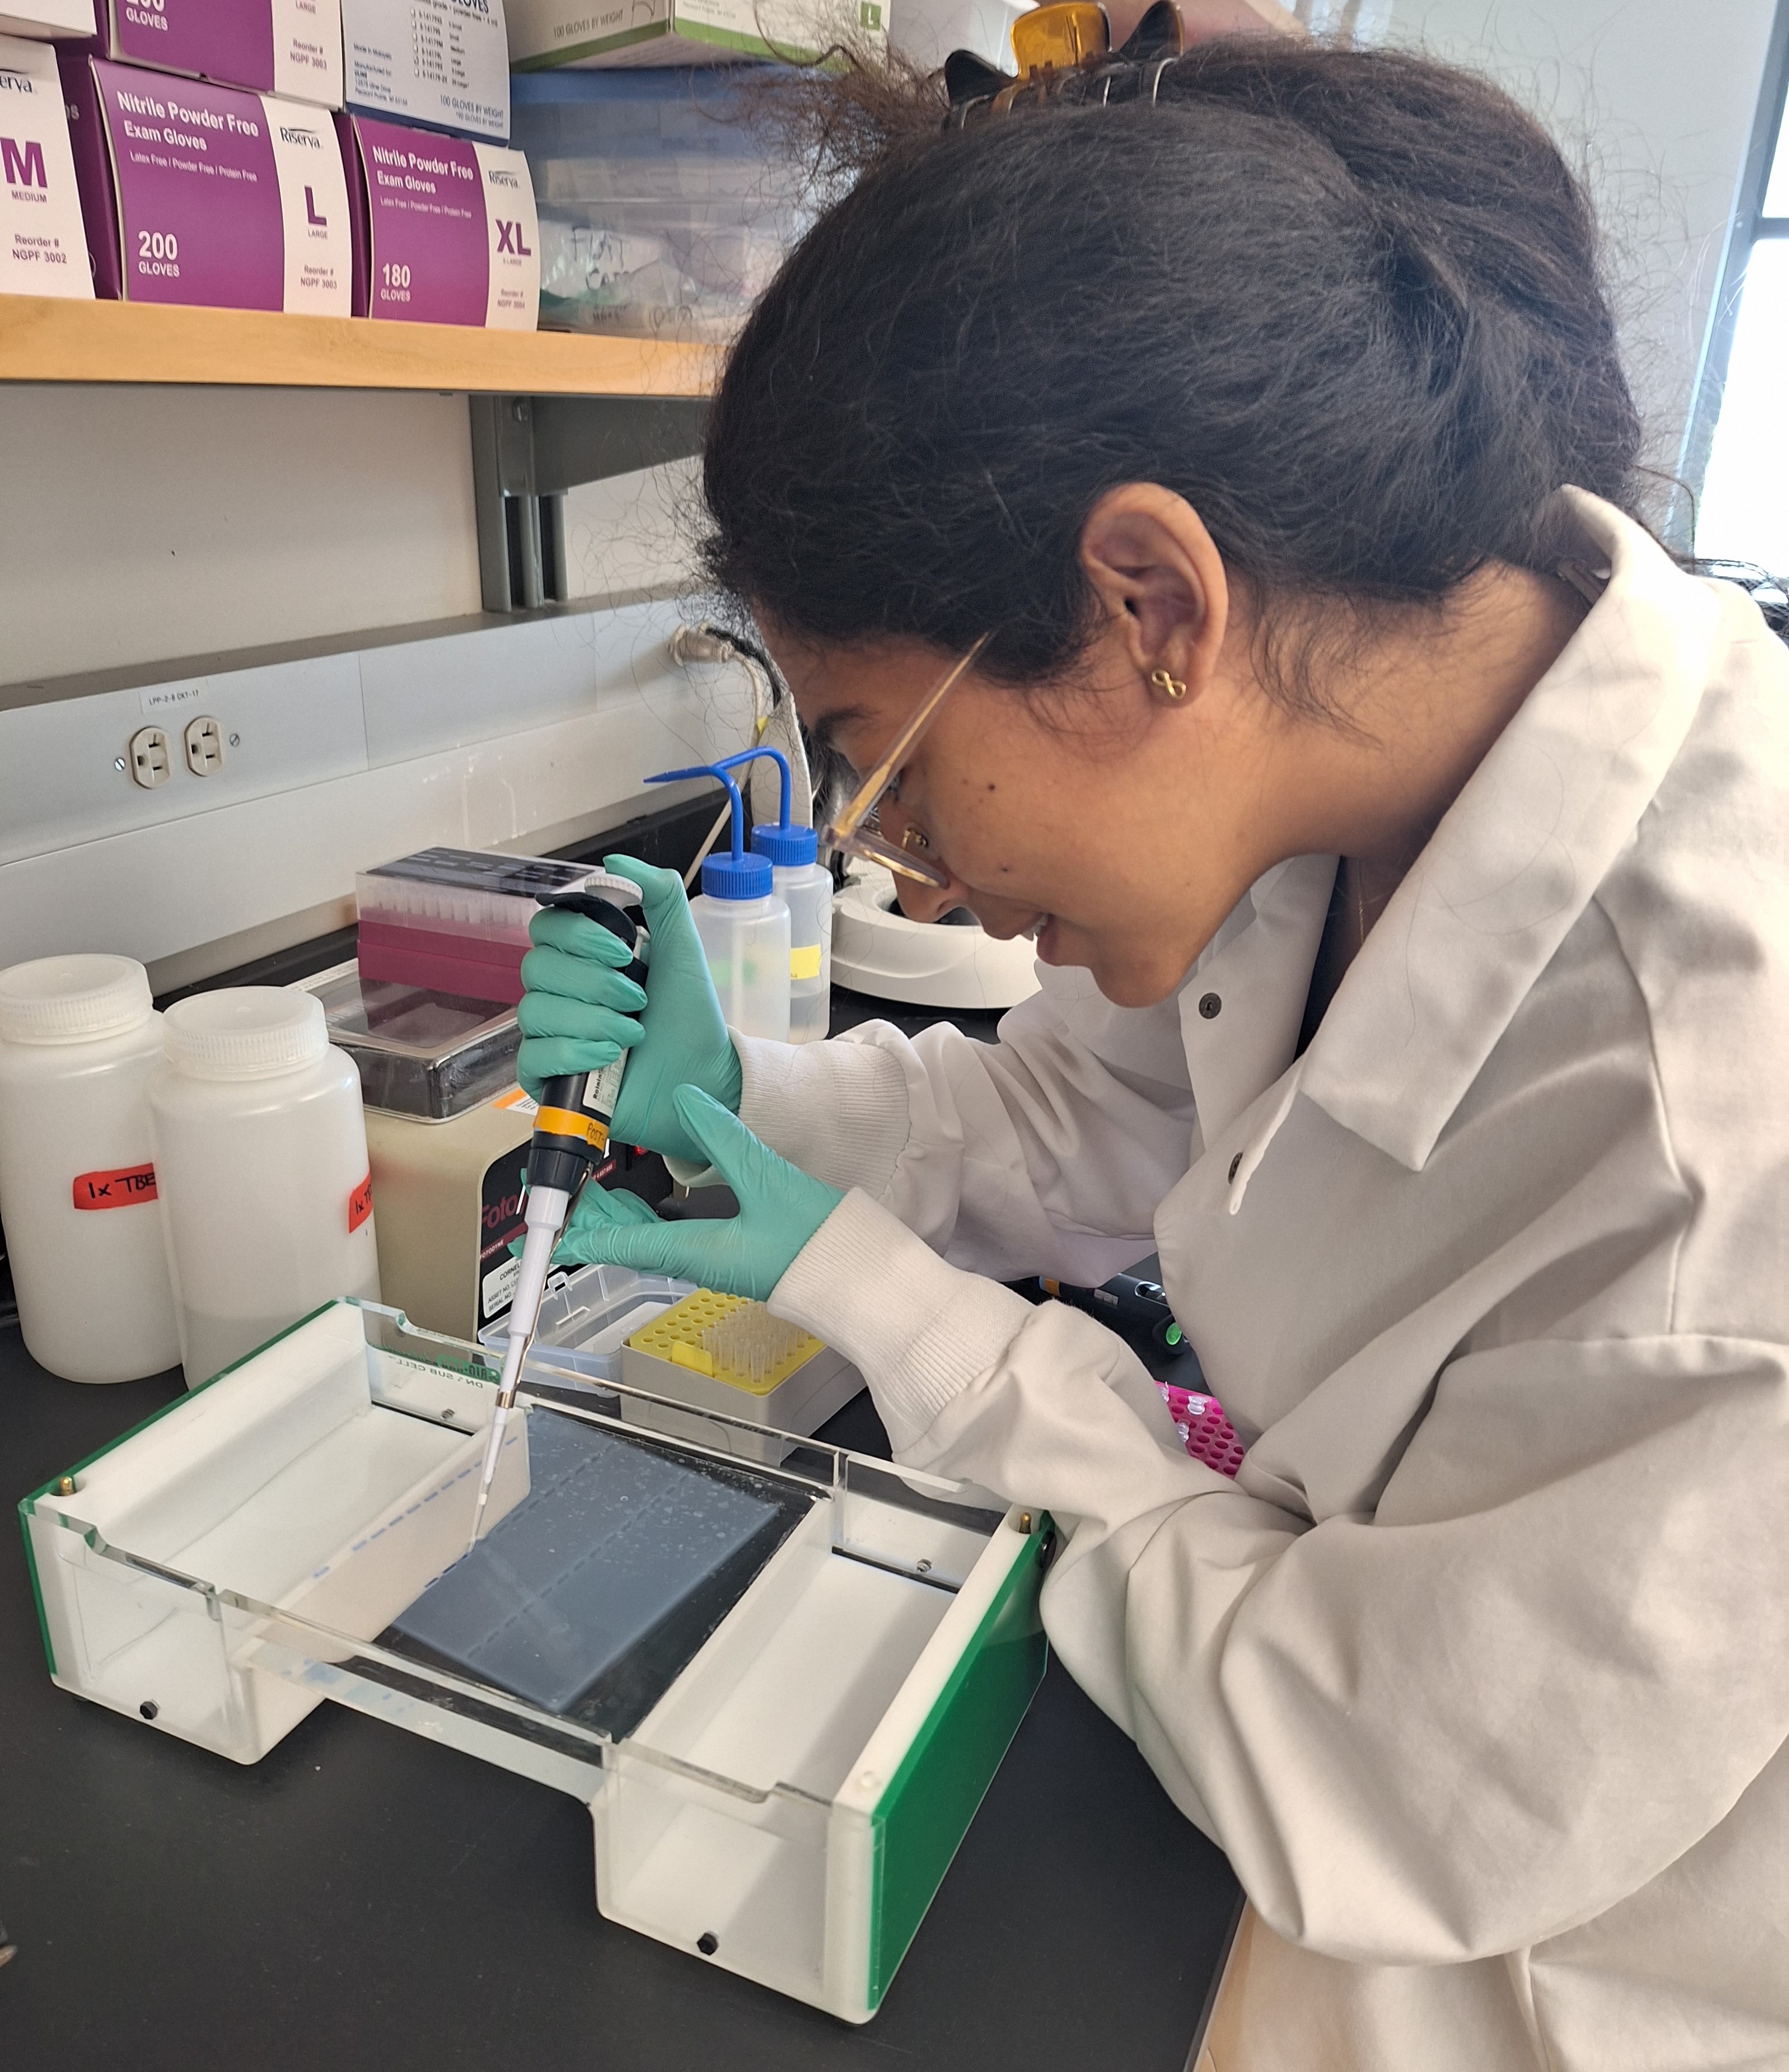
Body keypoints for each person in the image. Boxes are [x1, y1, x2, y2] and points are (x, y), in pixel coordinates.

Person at [514, 33, 1789, 2072]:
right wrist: (740, 1094)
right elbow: (1085, 1108)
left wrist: (903, 1322)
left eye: (879, 769)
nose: (892, 861)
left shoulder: (1715, 1146)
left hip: (1519, 1971)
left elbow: (1360, 1773)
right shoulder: (1373, 718)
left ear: (1143, 603)